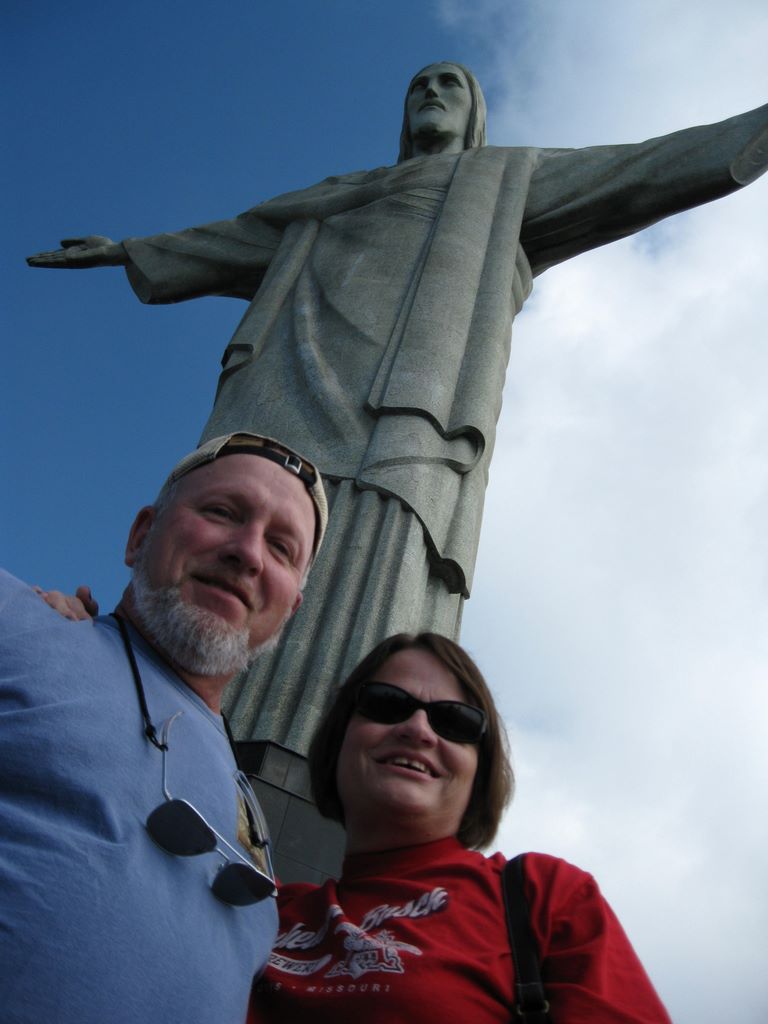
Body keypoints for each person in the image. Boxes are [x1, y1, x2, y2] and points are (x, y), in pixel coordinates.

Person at [26, 64, 768, 753]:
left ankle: (312, 760)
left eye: (450, 84)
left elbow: (643, 170)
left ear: (475, 115)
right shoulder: (336, 194)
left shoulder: (504, 182)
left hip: (405, 408)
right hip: (282, 382)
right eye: (420, 86)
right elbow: (237, 238)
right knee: (235, 527)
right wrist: (128, 251)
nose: (431, 94)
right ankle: (156, 711)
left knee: (362, 565)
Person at [0, 431, 327, 1024]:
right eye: (222, 513)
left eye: (282, 548)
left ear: (291, 607)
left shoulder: (251, 822)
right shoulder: (19, 622)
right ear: (140, 535)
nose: (249, 553)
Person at [248, 632, 672, 1023]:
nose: (417, 729)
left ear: (480, 770)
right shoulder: (263, 911)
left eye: (454, 722)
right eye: (385, 703)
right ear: (340, 736)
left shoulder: (547, 897)